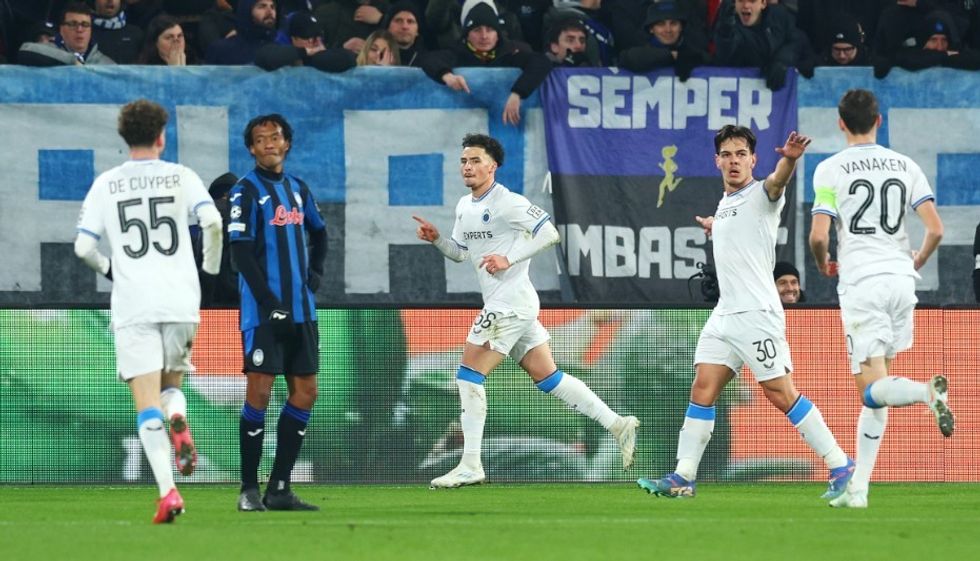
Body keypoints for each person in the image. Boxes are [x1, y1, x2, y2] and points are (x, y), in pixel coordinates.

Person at [637, 125, 855, 501]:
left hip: (755, 313)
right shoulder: (725, 204)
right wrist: (716, 225)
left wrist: (789, 160)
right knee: (702, 388)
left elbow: (777, 182)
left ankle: (840, 463)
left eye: (741, 154)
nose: (734, 161)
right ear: (717, 161)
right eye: (727, 154)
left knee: (780, 393)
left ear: (753, 160)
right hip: (725, 315)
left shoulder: (761, 194)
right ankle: (683, 476)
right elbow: (737, 230)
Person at [412, 133, 640, 488]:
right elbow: (460, 252)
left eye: (475, 160)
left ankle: (470, 464)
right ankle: (617, 424)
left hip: (509, 302)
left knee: (468, 375)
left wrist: (509, 257)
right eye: (464, 161)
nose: (468, 167)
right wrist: (437, 239)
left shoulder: (508, 202)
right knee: (549, 377)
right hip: (511, 303)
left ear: (493, 166)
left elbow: (549, 233)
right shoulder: (464, 206)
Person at [73, 99, 222, 523]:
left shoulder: (107, 184)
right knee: (171, 385)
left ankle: (168, 493)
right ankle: (178, 416)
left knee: (144, 400)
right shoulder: (182, 176)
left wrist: (111, 270)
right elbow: (212, 222)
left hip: (135, 302)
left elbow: (83, 247)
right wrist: (209, 270)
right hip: (181, 300)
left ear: (125, 137)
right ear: (161, 136)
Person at [808, 89, 952, 508]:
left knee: (870, 390)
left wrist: (823, 262)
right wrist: (917, 260)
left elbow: (818, 235)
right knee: (880, 384)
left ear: (840, 122)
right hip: (901, 281)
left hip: (862, 283)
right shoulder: (905, 165)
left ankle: (926, 393)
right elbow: (936, 229)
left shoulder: (830, 169)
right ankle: (859, 490)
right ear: (879, 120)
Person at [229, 114, 328, 512]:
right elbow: (240, 253)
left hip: (302, 311)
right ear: (251, 149)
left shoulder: (298, 188)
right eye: (260, 139)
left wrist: (315, 273)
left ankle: (280, 488)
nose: (269, 143)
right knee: (260, 392)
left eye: (275, 137)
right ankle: (248, 489)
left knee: (306, 392)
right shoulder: (245, 191)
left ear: (287, 143)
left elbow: (320, 232)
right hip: (263, 313)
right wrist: (270, 304)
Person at [419, 1, 552, 126]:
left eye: (490, 29)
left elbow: (541, 62)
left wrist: (518, 93)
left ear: (498, 34)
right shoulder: (458, 52)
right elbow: (428, 59)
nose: (484, 36)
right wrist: (447, 76)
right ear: (467, 34)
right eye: (477, 30)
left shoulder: (509, 53)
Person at [18, 2, 116, 66]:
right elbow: (26, 49)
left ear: (91, 30)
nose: (79, 29)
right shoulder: (50, 50)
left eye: (85, 25)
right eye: (73, 24)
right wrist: (73, 61)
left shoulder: (105, 63)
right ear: (62, 29)